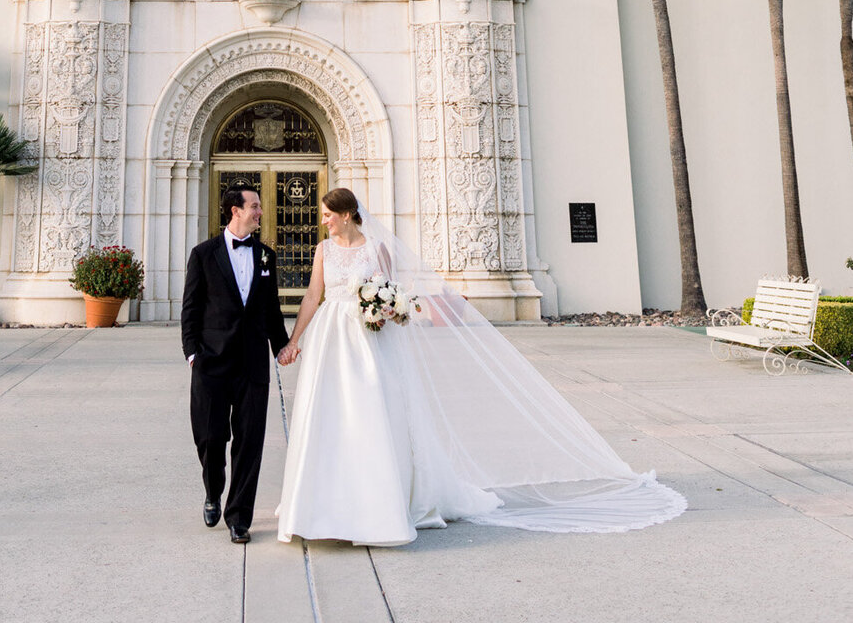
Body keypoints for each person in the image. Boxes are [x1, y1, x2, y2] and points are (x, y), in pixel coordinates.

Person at [277, 188, 686, 546]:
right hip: (334, 340)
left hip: (370, 341)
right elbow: (313, 295)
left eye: (328, 214)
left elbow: (392, 292)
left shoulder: (375, 248)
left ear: (346, 213)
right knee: (330, 416)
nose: (324, 220)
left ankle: (379, 506)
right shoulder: (323, 250)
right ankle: (322, 505)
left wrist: (384, 311)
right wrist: (296, 341)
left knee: (374, 417)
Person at [181, 182, 291, 543]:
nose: (261, 211)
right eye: (255, 206)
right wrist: (193, 353)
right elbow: (191, 309)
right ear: (236, 211)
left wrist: (282, 347)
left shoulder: (266, 256)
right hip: (211, 361)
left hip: (252, 363)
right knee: (211, 439)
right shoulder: (203, 254)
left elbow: (271, 310)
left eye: (259, 206)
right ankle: (213, 491)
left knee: (249, 441)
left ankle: (239, 517)